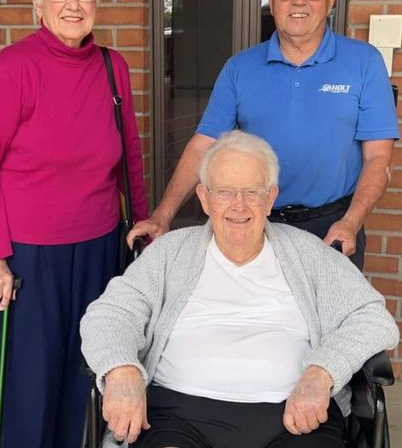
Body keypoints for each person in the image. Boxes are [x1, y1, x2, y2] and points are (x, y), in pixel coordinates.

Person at [81, 130, 399, 448]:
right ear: (204, 198)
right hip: (179, 417)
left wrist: (323, 372)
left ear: (270, 198)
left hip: (296, 418)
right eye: (225, 192)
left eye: (252, 192)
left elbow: (373, 317)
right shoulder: (170, 252)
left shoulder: (308, 253)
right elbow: (111, 312)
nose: (239, 205)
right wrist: (122, 370)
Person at [0, 0, 147, 447]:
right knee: (30, 387)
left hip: (98, 250)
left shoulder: (114, 67)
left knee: (86, 374)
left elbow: (129, 156)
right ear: (38, 1)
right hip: (27, 261)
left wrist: (143, 228)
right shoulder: (15, 66)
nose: (72, 3)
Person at [129, 0, 399, 270]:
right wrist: (163, 215)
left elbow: (378, 159)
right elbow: (203, 145)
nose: (299, 1)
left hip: (333, 229)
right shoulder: (240, 68)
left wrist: (351, 222)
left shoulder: (364, 62)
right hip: (256, 226)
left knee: (328, 320)